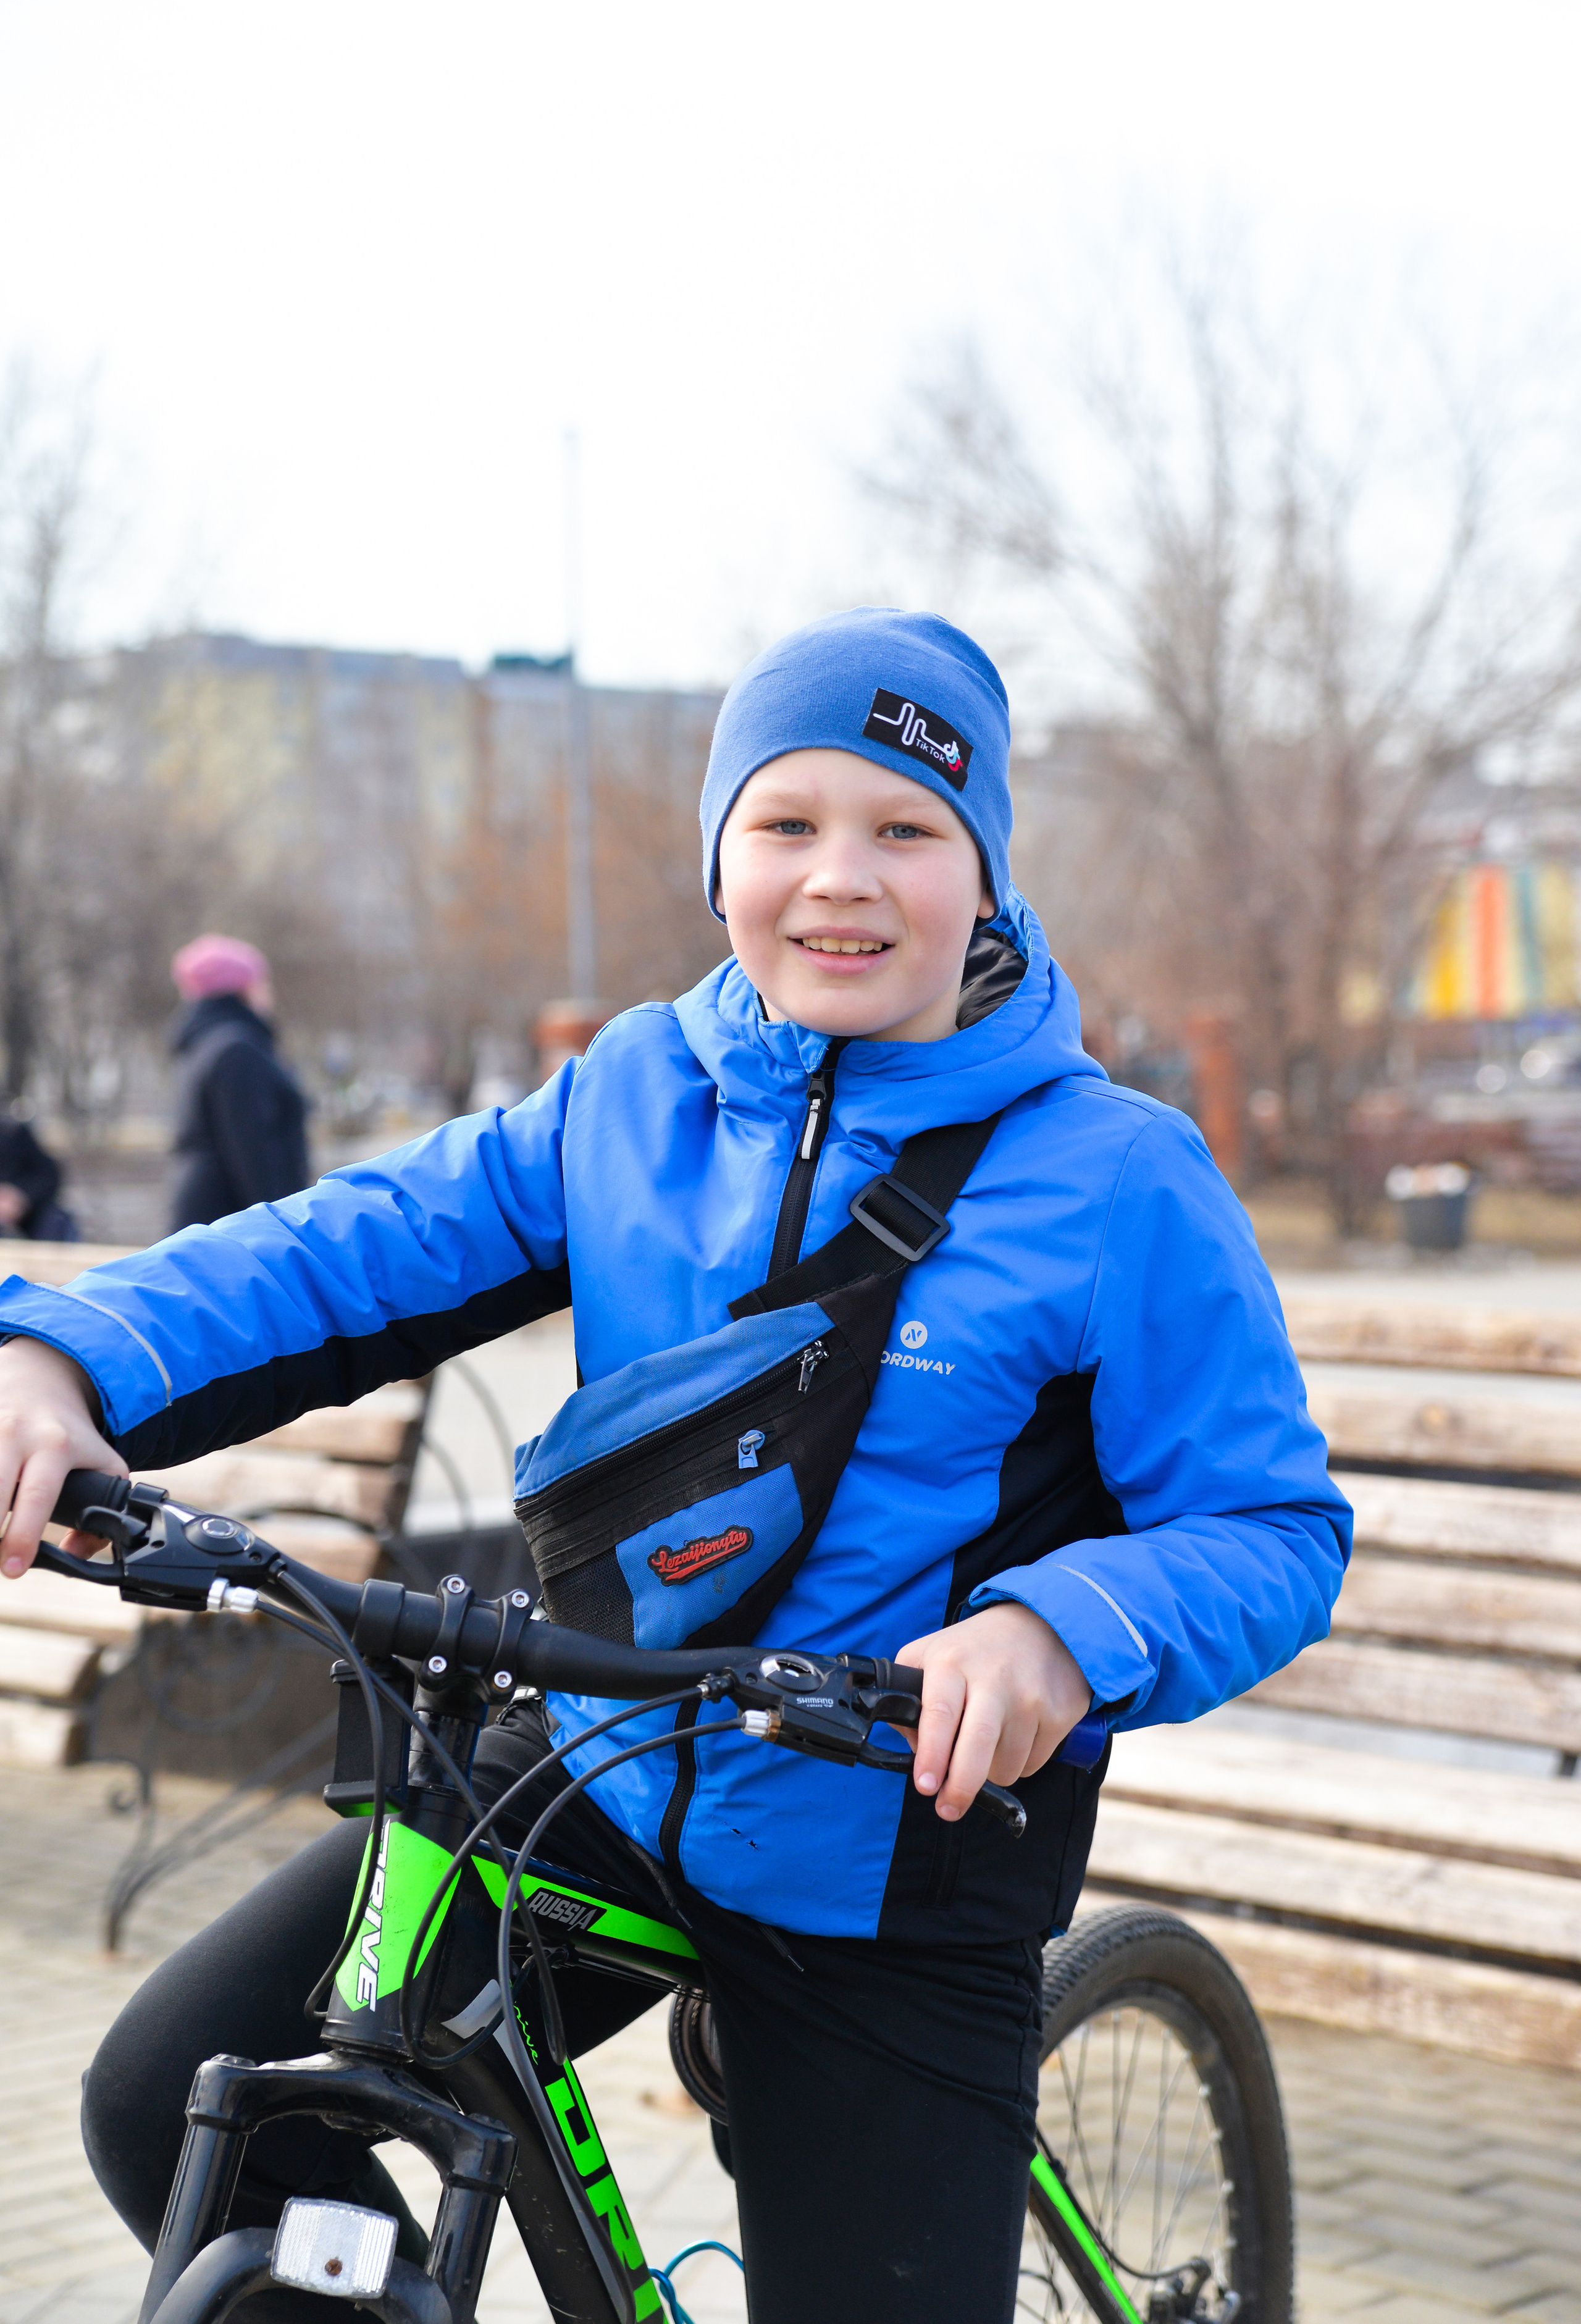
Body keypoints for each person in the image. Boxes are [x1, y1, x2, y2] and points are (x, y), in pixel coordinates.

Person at [0, 609, 1349, 2323]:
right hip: (592, 1772)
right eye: (786, 823)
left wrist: (1057, 1630)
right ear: (721, 858)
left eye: (906, 830)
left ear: (987, 872)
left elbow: (1270, 1524)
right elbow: (338, 1252)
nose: (840, 879)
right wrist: (54, 1352)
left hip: (891, 1858)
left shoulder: (1117, 1178)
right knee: (173, 2101)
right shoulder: (634, 1093)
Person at [166, 934, 310, 1230]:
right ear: (244, 989)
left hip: (204, 1215)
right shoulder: (238, 1051)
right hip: (230, 1223)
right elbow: (254, 1151)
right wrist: (284, 1226)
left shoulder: (203, 1045)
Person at [0, 1110, 77, 1242]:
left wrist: (20, 1197)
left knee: (56, 1221)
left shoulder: (12, 1132)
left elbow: (48, 1175)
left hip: (27, 1214)